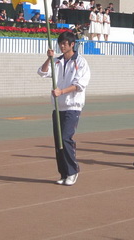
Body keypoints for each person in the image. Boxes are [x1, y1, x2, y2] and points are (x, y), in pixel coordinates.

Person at [37, 31, 91, 186]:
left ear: (72, 44)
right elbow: (42, 72)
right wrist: (49, 58)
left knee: (66, 138)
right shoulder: (57, 61)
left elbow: (79, 85)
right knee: (58, 141)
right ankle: (64, 173)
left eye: (64, 44)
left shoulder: (81, 62)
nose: (62, 46)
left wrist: (61, 92)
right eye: (60, 43)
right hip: (58, 106)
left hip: (72, 106)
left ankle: (73, 171)